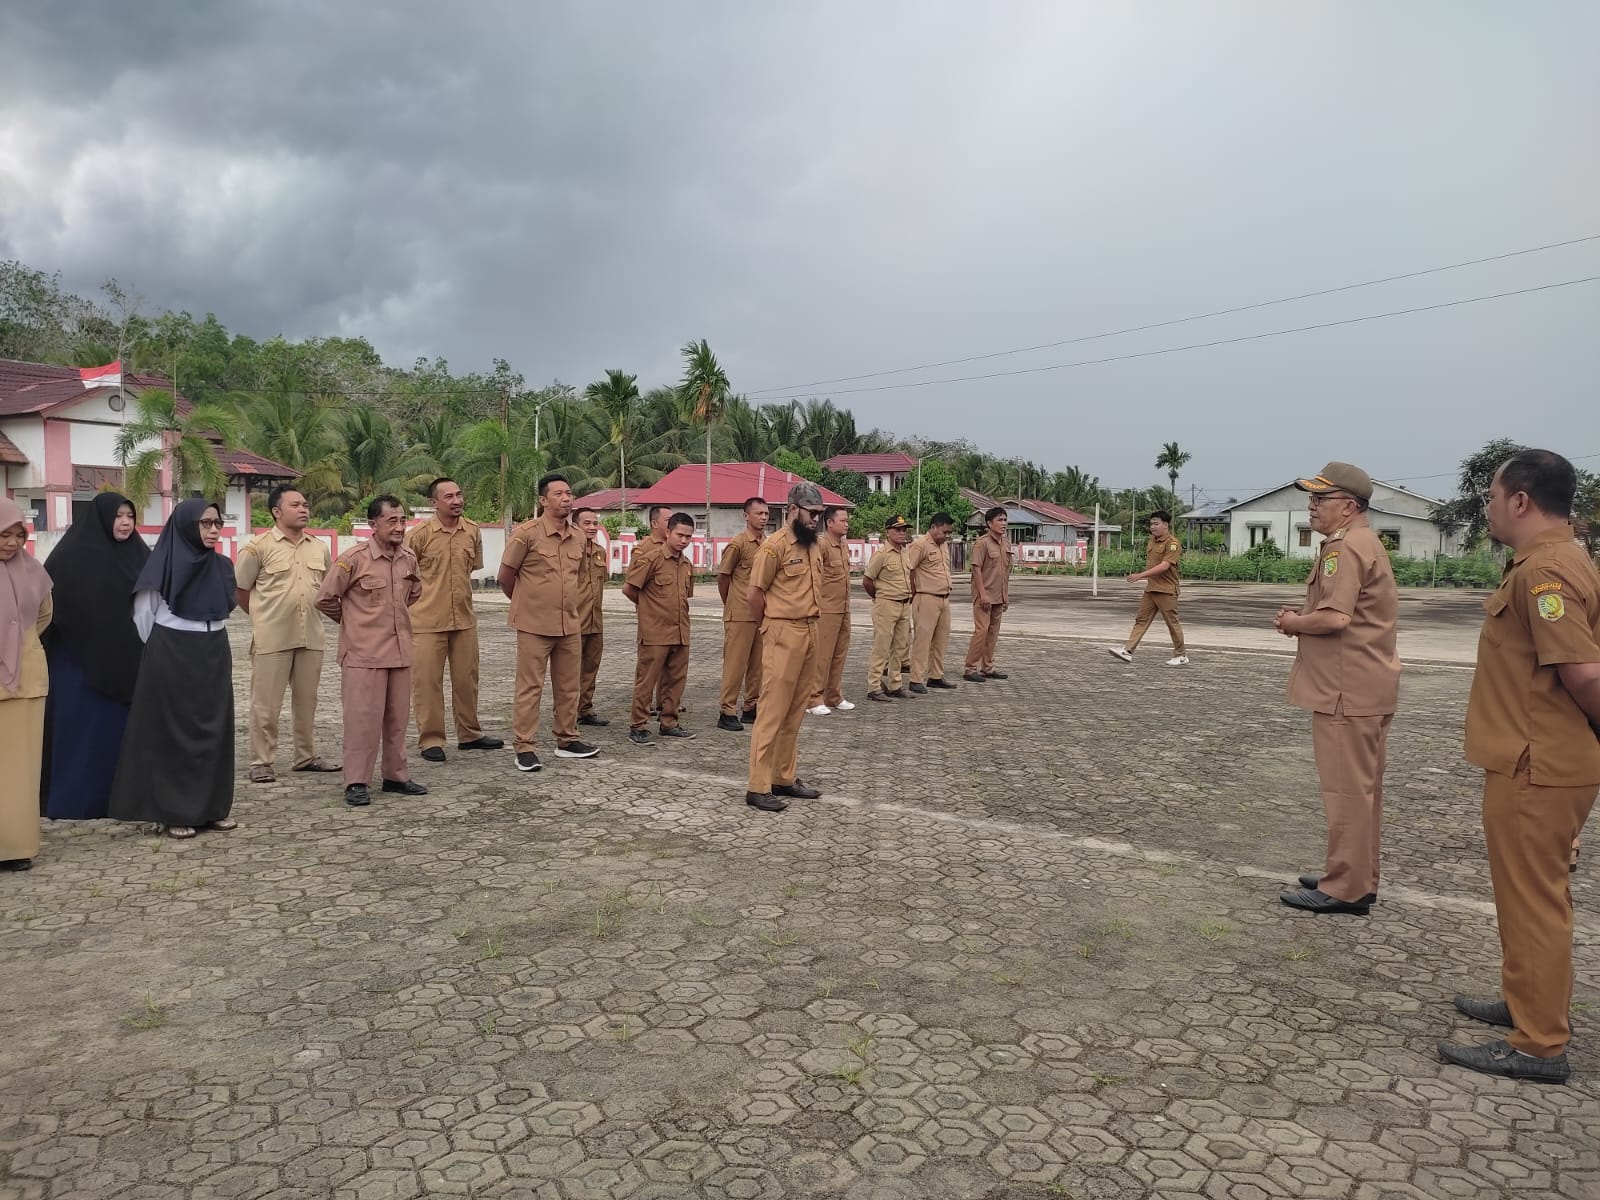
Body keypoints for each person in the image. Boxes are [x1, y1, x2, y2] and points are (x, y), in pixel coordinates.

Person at [1440, 449, 1600, 1084]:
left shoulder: (1547, 572)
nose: (1487, 508)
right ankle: (1527, 1002)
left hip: (1537, 762)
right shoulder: (1558, 559)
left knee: (1534, 900)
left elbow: (1584, 674)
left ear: (1521, 500)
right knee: (1529, 894)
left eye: (1491, 496)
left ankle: (1538, 1044)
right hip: (1535, 756)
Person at [1273, 463, 1399, 916]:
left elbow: (1336, 617)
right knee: (1362, 792)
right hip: (1366, 685)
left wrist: (1293, 623)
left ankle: (1345, 887)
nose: (1312, 506)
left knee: (1346, 792)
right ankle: (1356, 876)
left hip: (1346, 690)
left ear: (1348, 506)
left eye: (1320, 499)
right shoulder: (1365, 542)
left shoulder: (1344, 547)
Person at [109, 498, 238, 839]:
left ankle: (213, 808)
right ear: (185, 526)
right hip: (173, 652)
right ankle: (174, 811)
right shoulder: (162, 566)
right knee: (174, 732)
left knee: (214, 729)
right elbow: (144, 616)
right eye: (205, 523)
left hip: (214, 651)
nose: (213, 530)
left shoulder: (223, 565)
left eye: (217, 523)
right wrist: (168, 648)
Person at [39, 492, 147, 821]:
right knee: (82, 734)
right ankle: (77, 801)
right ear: (101, 517)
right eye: (118, 516)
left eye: (130, 516)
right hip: (79, 664)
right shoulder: (70, 556)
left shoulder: (141, 555)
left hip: (127, 660)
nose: (125, 523)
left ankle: (125, 800)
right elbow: (50, 608)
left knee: (120, 734)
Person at [316, 495, 428, 807]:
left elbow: (414, 593)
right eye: (392, 521)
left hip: (400, 652)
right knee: (362, 722)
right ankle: (356, 781)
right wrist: (352, 622)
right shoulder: (354, 559)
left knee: (397, 720)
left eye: (402, 520)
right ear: (372, 524)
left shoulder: (408, 557)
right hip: (364, 655)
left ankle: (395, 776)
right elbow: (325, 598)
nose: (399, 527)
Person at [235, 484, 340, 783]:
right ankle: (261, 761)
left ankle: (305, 757)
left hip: (311, 636)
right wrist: (262, 617)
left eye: (305, 504)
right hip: (272, 638)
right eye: (295, 505)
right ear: (276, 512)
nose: (303, 509)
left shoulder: (319, 547)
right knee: (266, 705)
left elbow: (326, 589)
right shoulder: (257, 548)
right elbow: (241, 590)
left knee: (307, 702)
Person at [498, 473, 600, 772]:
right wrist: (527, 603)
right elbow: (506, 576)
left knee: (569, 686)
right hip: (534, 625)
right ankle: (525, 747)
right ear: (543, 500)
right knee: (530, 687)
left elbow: (578, 577)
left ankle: (567, 740)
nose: (566, 498)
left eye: (569, 493)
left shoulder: (578, 537)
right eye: (558, 494)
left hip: (569, 624)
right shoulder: (526, 534)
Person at [406, 478, 502, 762]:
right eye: (448, 496)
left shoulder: (471, 531)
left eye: (459, 494)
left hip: (463, 619)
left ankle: (470, 734)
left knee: (467, 680)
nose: (456, 501)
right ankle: (431, 740)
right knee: (427, 683)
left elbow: (471, 568)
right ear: (434, 503)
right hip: (426, 621)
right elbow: (404, 577)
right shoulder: (418, 535)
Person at [745, 482, 827, 813]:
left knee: (795, 710)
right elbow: (754, 595)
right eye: (811, 513)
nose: (816, 519)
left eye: (820, 514)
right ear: (793, 510)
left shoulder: (813, 545)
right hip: (782, 631)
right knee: (772, 711)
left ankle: (783, 777)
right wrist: (770, 626)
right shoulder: (774, 547)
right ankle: (758, 786)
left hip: (810, 630)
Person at [0, 499, 52, 870]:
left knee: (22, 769)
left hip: (26, 682)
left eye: (19, 535)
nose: (12, 543)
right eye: (4, 534)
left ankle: (17, 846)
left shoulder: (33, 570)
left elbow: (44, 615)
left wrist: (19, 644)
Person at [624, 512, 696, 744]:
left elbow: (685, 597)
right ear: (668, 532)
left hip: (680, 631)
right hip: (655, 631)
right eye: (679, 535)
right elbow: (629, 588)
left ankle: (669, 723)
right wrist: (648, 609)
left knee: (675, 680)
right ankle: (638, 725)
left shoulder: (686, 564)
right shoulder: (652, 559)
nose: (683, 540)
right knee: (646, 680)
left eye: (688, 537)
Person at [1109, 510, 1188, 667]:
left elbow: (1164, 566)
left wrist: (1140, 576)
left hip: (1166, 590)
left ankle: (1181, 655)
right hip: (1151, 588)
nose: (1152, 527)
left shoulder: (1173, 544)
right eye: (1151, 524)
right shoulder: (1152, 541)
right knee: (1141, 619)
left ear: (1166, 525)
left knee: (1172, 623)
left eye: (1156, 524)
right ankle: (1128, 651)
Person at [717, 497, 768, 731]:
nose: (763, 517)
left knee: (758, 665)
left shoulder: (767, 544)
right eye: (758, 513)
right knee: (735, 665)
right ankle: (727, 711)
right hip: (739, 613)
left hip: (761, 613)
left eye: (766, 513)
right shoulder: (738, 544)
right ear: (746, 516)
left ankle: (751, 707)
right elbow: (724, 577)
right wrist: (730, 603)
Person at [808, 505, 855, 715]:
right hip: (826, 609)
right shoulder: (821, 545)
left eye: (847, 520)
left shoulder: (842, 545)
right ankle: (813, 698)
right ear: (829, 522)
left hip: (843, 608)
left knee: (839, 655)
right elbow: (814, 577)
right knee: (822, 656)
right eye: (842, 520)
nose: (846, 524)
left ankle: (834, 696)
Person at [906, 512, 959, 693]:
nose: (947, 536)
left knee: (941, 640)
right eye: (944, 532)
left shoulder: (943, 545)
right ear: (933, 527)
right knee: (923, 641)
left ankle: (936, 676)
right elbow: (909, 569)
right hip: (926, 597)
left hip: (944, 598)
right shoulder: (920, 545)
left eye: (949, 532)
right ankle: (916, 679)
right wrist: (913, 591)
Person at [863, 516, 915, 701]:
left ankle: (895, 685)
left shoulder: (904, 552)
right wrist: (879, 597)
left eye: (904, 530)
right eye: (898, 530)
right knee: (882, 647)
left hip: (904, 604)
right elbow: (867, 580)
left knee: (899, 648)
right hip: (886, 604)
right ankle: (874, 686)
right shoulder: (881, 554)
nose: (902, 533)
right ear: (888, 532)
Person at [962, 507, 1014, 682]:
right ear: (990, 523)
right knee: (981, 631)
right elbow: (976, 570)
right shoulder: (982, 543)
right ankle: (970, 668)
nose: (1003, 523)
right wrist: (983, 595)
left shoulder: (1006, 544)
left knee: (993, 633)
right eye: (1000, 520)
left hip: (998, 596)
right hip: (984, 596)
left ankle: (987, 667)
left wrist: (1005, 596)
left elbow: (1005, 573)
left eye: (1005, 520)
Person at [574, 506, 611, 728]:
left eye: (595, 523)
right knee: (569, 671)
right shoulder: (569, 551)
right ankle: (566, 712)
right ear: (575, 525)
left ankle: (585, 710)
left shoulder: (600, 552)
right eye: (586, 523)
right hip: (574, 621)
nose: (592, 527)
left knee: (590, 668)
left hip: (595, 621)